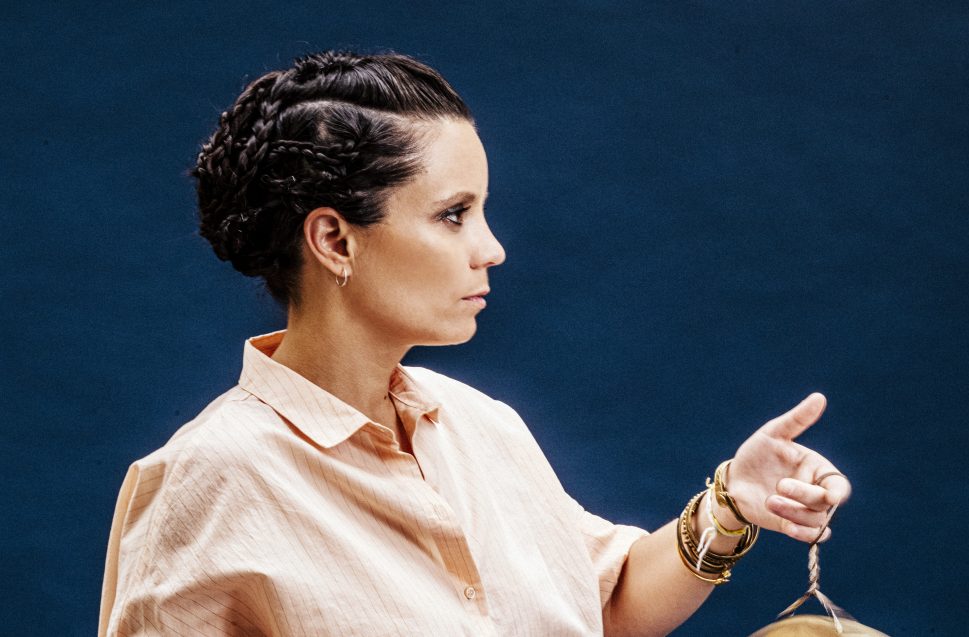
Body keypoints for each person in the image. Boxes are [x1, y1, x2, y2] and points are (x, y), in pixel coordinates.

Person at [98, 50, 851, 637]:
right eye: (453, 215)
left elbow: (606, 602)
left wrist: (731, 501)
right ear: (334, 240)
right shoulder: (207, 482)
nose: (492, 249)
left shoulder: (483, 427)